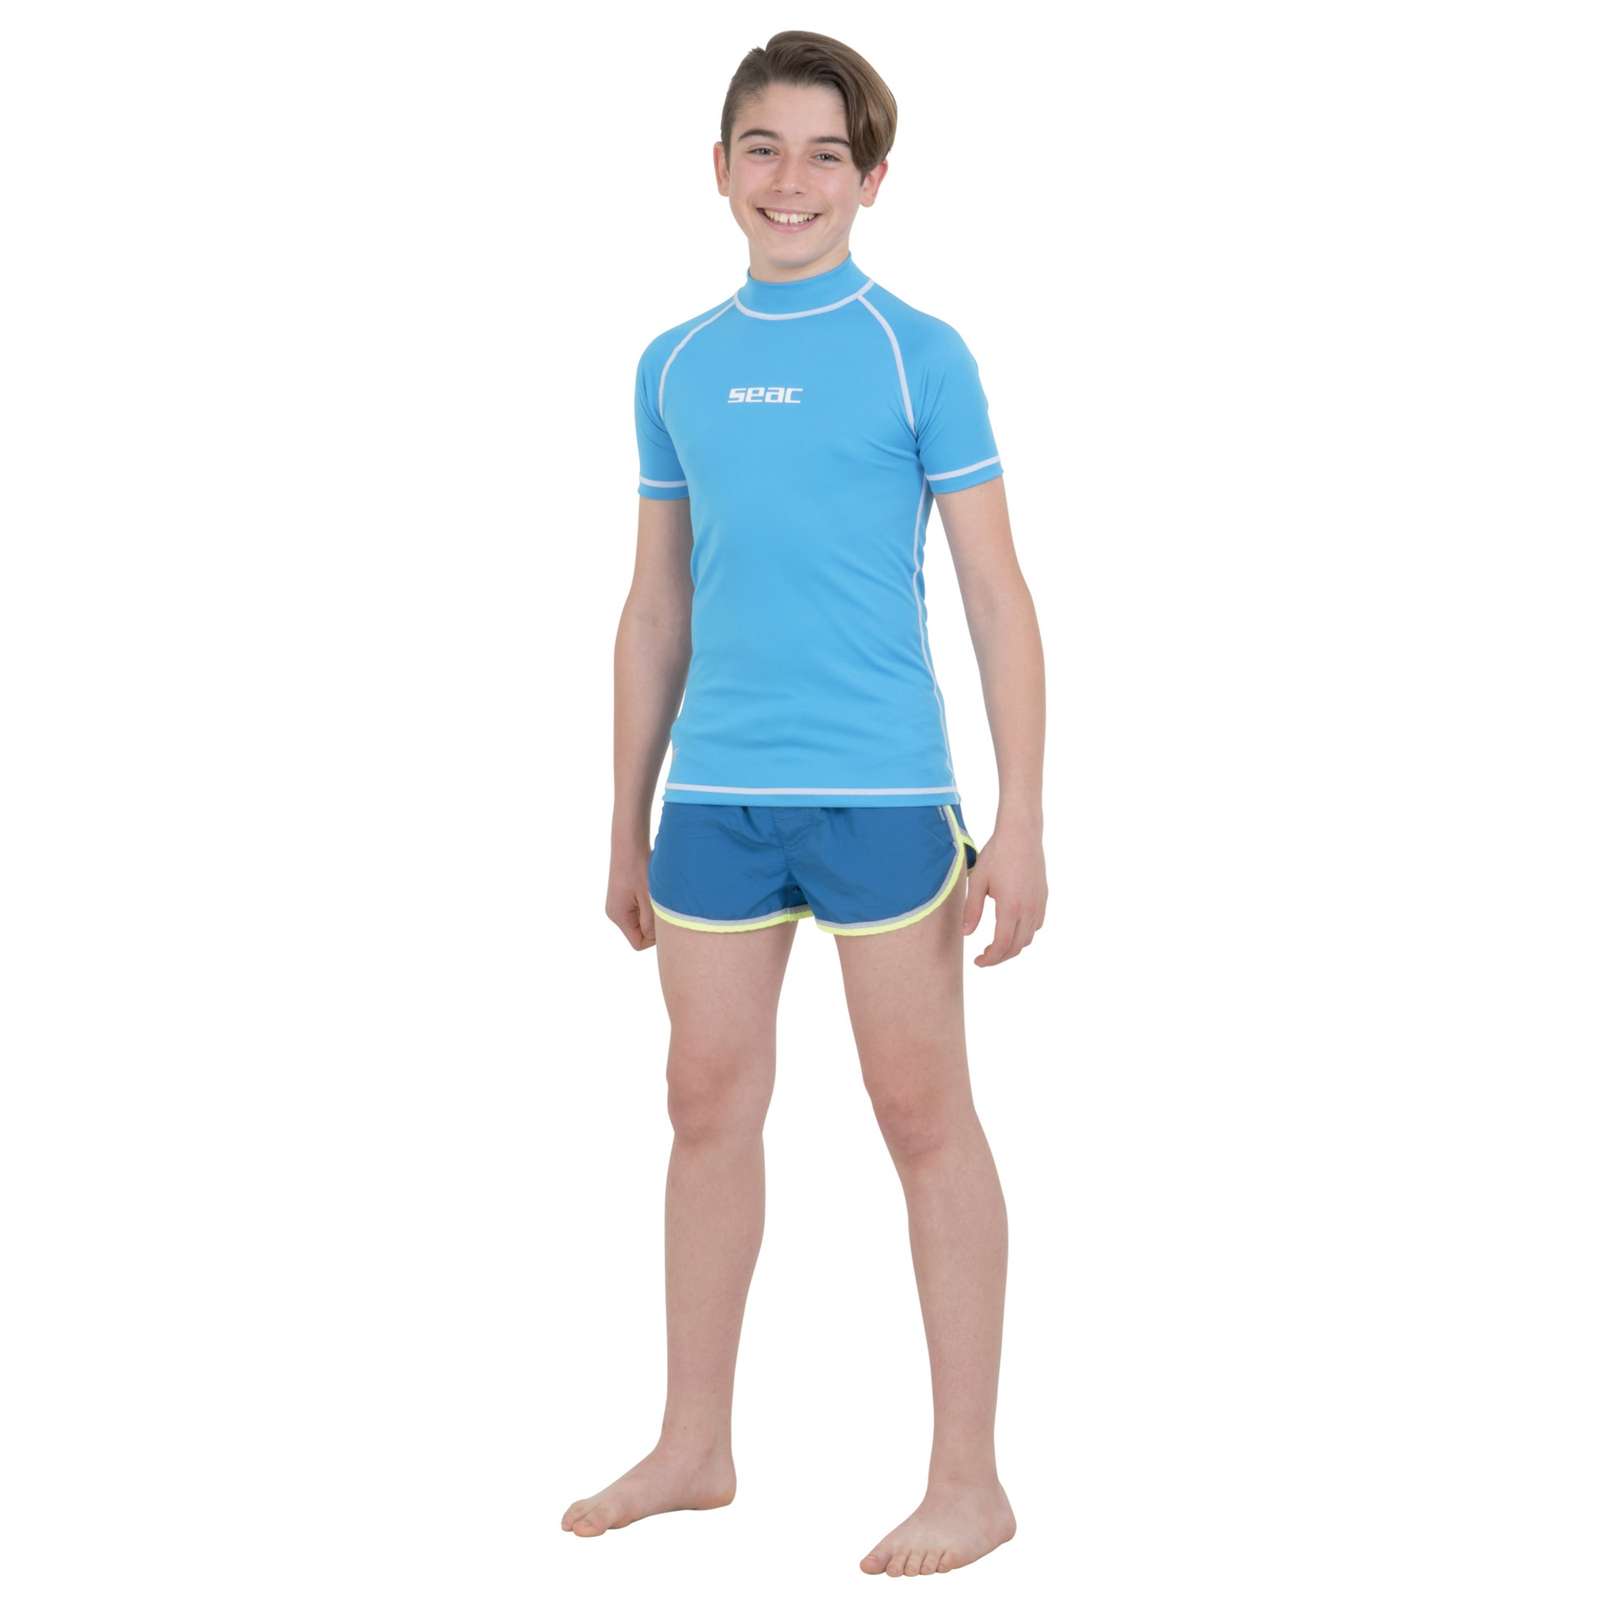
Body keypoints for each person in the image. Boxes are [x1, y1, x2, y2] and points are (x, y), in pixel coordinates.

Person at [568, 31, 1047, 1578]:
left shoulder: (920, 353)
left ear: (873, 179)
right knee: (703, 1105)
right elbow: (653, 608)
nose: (793, 181)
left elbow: (996, 596)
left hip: (885, 797)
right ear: (719, 170)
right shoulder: (674, 365)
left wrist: (1023, 817)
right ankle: (694, 1444)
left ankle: (967, 1480)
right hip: (714, 797)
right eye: (763, 150)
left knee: (922, 1117)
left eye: (826, 154)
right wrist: (623, 820)